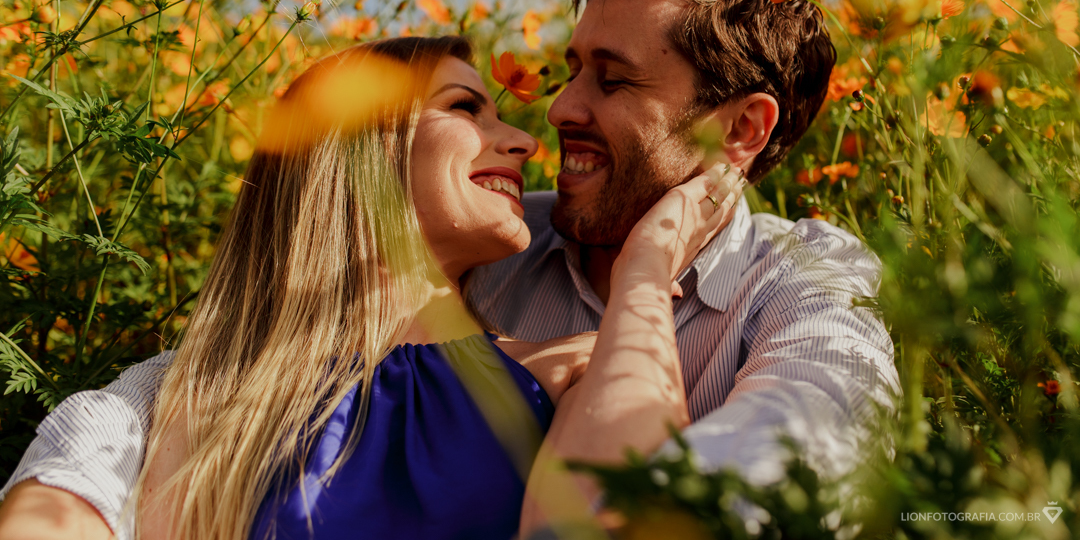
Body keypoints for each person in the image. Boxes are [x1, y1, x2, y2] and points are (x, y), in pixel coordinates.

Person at [0, 0, 899, 533]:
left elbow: (800, 451)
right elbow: (228, 373)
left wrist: (645, 275)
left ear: (741, 131)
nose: (552, 114)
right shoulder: (505, 235)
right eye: (569, 68)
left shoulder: (806, 281)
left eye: (613, 79)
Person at [0, 35, 742, 540]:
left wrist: (646, 270)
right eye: (464, 107)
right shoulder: (171, 398)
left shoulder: (572, 368)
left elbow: (624, 519)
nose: (523, 141)